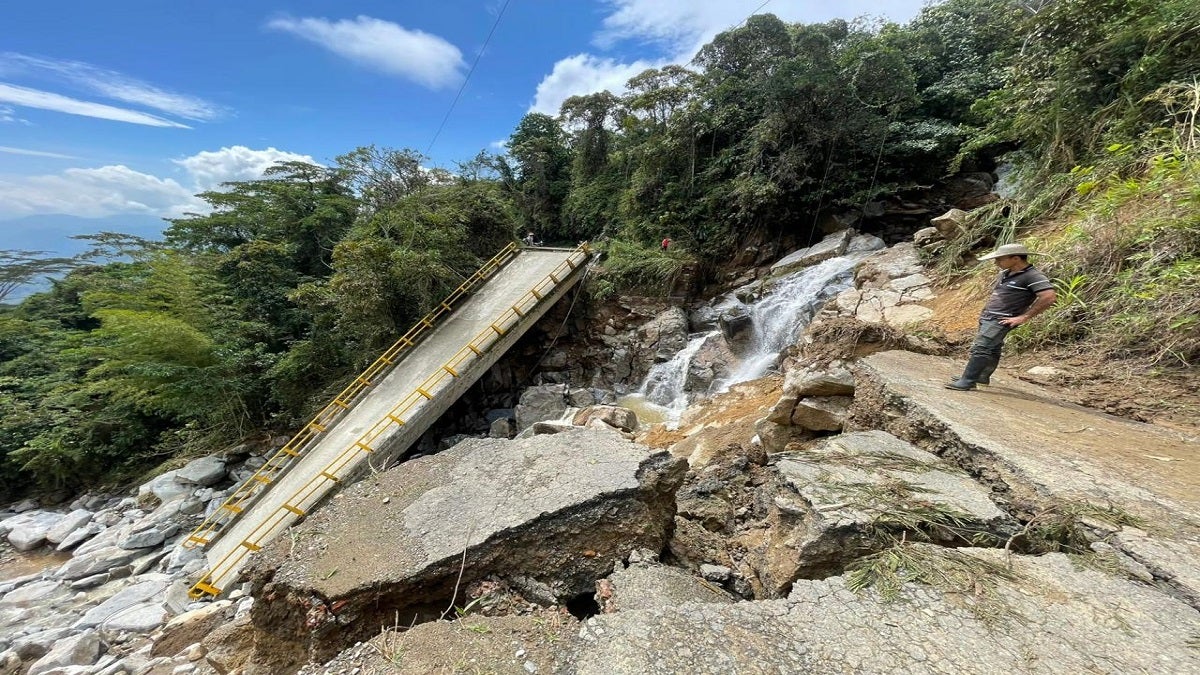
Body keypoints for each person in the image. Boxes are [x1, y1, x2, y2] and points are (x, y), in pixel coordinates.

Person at [946, 242, 1057, 391]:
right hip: (990, 316)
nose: (996, 262)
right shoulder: (1007, 273)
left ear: (1016, 258)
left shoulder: (1033, 276)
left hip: (1002, 318)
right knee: (993, 347)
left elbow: (1049, 297)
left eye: (1000, 259)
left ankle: (968, 380)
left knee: (982, 347)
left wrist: (1023, 317)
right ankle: (981, 377)